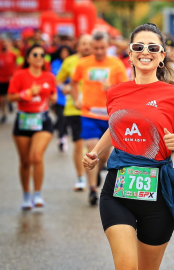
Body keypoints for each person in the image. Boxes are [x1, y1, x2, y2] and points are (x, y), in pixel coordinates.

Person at [82, 23, 174, 270]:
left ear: (161, 56)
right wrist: (96, 152)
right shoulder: (115, 92)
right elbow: (115, 127)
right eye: (138, 46)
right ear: (130, 53)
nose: (144, 51)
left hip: (158, 193)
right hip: (118, 189)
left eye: (152, 47)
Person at [71, 31, 128, 206]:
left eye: (102, 48)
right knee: (91, 150)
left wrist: (112, 87)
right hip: (88, 113)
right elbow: (73, 81)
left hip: (109, 115)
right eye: (96, 48)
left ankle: (100, 169)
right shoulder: (83, 63)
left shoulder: (116, 64)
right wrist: (76, 99)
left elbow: (125, 88)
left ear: (107, 46)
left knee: (103, 155)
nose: (99, 51)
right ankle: (93, 189)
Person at [8, 44, 57, 210]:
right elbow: (11, 97)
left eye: (42, 55)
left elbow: (53, 95)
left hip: (42, 120)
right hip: (23, 120)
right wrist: (27, 93)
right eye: (35, 54)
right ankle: (26, 194)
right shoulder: (20, 75)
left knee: (36, 156)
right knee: (25, 162)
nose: (39, 57)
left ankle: (37, 194)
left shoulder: (49, 76)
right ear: (28, 58)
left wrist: (53, 98)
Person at [56, 34, 92, 191]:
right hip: (73, 108)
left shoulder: (98, 62)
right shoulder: (70, 61)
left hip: (94, 109)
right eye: (83, 43)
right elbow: (58, 79)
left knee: (93, 145)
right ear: (77, 46)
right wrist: (63, 87)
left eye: (89, 44)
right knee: (78, 144)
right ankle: (80, 178)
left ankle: (93, 172)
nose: (86, 46)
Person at [51, 45, 74, 152]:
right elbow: (55, 78)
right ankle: (61, 138)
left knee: (66, 120)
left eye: (66, 52)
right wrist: (61, 87)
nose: (64, 54)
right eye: (62, 52)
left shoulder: (73, 62)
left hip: (70, 97)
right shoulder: (55, 63)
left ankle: (62, 134)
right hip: (59, 96)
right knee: (61, 118)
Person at [0, 38, 17, 123]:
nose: (4, 45)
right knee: (1, 99)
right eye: (3, 43)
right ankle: (4, 114)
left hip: (10, 79)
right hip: (1, 80)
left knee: (9, 96)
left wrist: (14, 75)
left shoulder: (13, 54)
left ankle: (10, 104)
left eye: (6, 43)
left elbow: (17, 64)